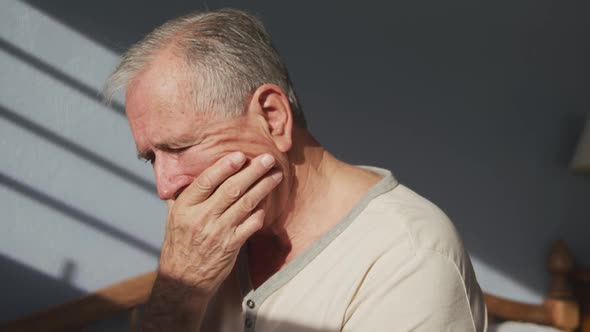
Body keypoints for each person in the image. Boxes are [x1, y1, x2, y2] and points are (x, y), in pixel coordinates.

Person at [104, 8, 487, 332]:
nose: (165, 186)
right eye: (152, 157)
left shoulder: (408, 255)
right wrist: (179, 292)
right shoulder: (208, 242)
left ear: (272, 118)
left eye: (180, 147)